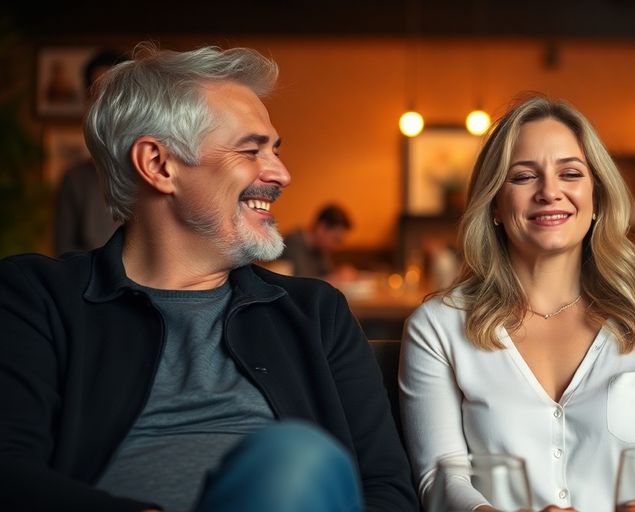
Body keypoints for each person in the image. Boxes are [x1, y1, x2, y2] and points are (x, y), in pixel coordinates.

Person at [0, 44, 417, 512]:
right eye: (251, 150)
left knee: (295, 459)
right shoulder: (35, 297)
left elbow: (387, 489)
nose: (282, 174)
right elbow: (9, 474)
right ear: (159, 165)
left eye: (275, 151)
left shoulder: (316, 312)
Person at [399, 95, 635, 512]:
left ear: (596, 198)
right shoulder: (438, 327)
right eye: (524, 177)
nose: (550, 192)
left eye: (571, 173)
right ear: (494, 205)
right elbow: (441, 476)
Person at [52, 49, 126, 255]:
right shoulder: (75, 179)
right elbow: (63, 254)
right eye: (96, 93)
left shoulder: (161, 167)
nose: (105, 104)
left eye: (114, 93)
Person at [277, 203, 355, 279]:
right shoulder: (293, 243)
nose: (337, 247)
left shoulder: (320, 247)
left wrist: (338, 273)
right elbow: (301, 282)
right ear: (321, 228)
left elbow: (327, 273)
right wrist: (335, 277)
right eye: (336, 240)